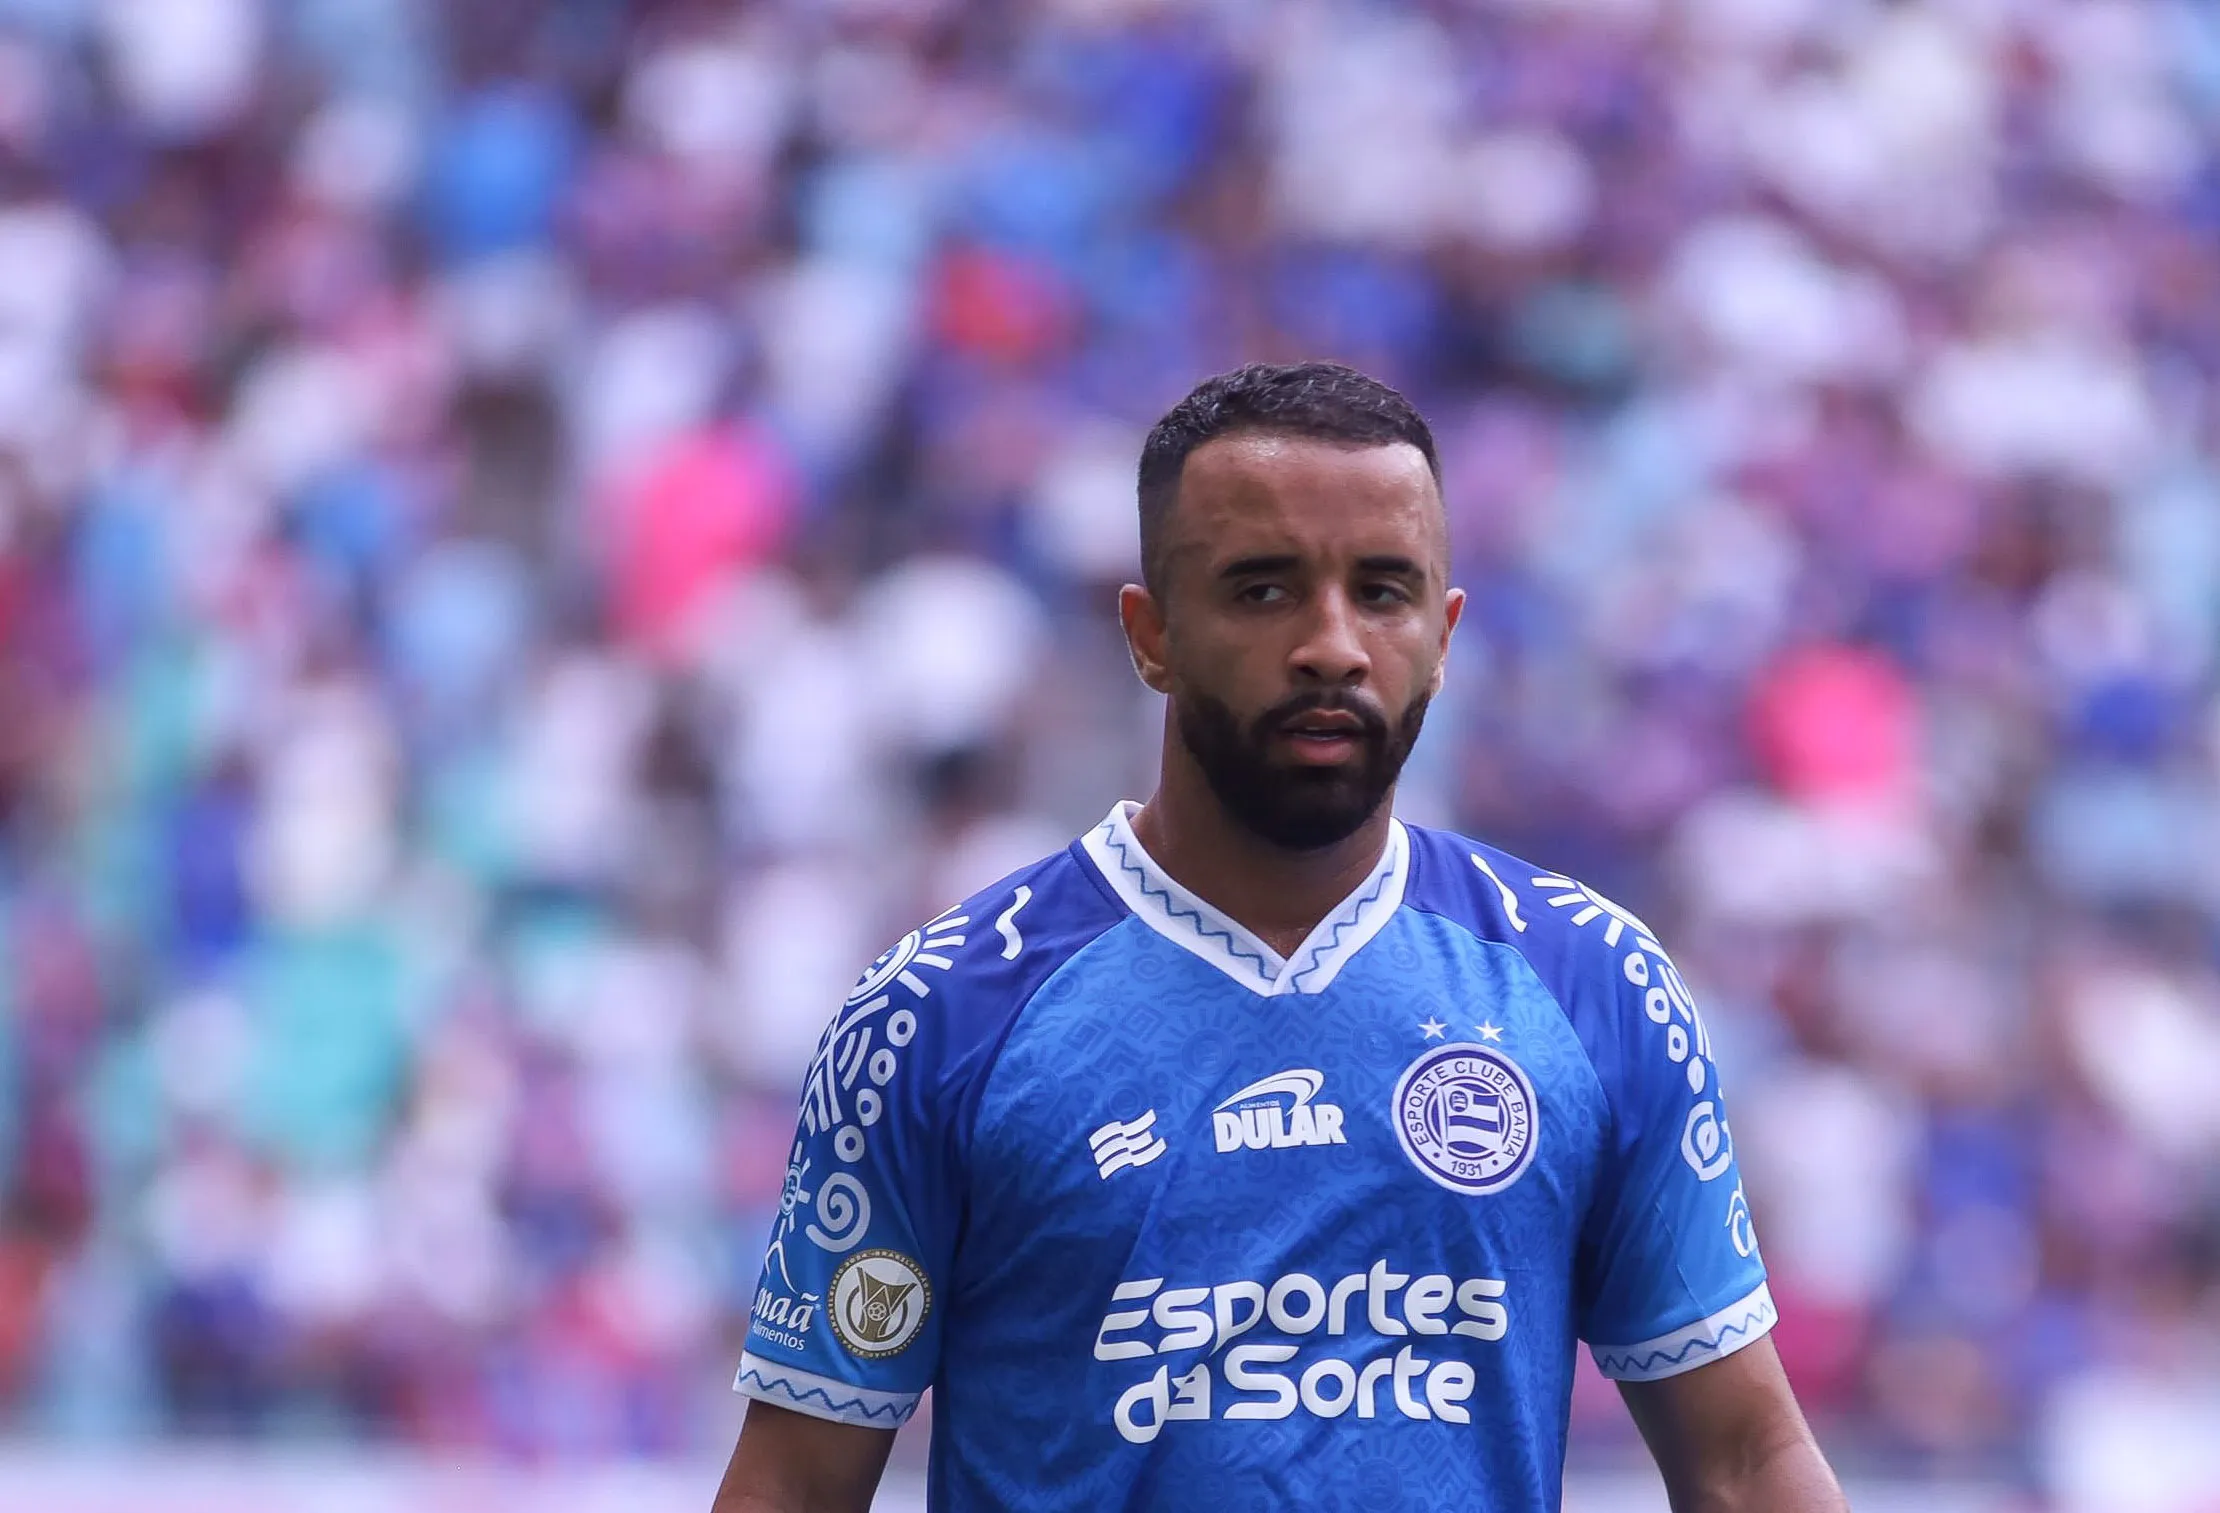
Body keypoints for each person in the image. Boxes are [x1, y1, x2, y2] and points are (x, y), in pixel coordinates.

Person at [712, 363, 1848, 1511]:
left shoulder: (1591, 983)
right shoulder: (941, 1015)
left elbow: (1746, 1463)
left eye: (1385, 591)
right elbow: (796, 1486)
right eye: (1264, 590)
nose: (1334, 645)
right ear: (1149, 635)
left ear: (1446, 635)